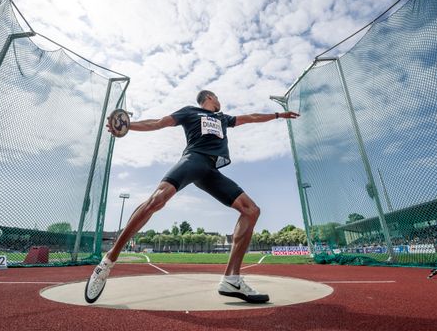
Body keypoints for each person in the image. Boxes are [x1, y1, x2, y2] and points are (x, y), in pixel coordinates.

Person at [86, 90, 299, 303]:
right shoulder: (190, 112)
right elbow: (160, 122)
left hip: (211, 170)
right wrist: (128, 126)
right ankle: (108, 260)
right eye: (217, 97)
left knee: (251, 211)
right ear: (210, 97)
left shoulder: (223, 119)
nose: (219, 101)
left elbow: (251, 117)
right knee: (156, 200)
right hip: (193, 159)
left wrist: (278, 116)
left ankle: (231, 279)